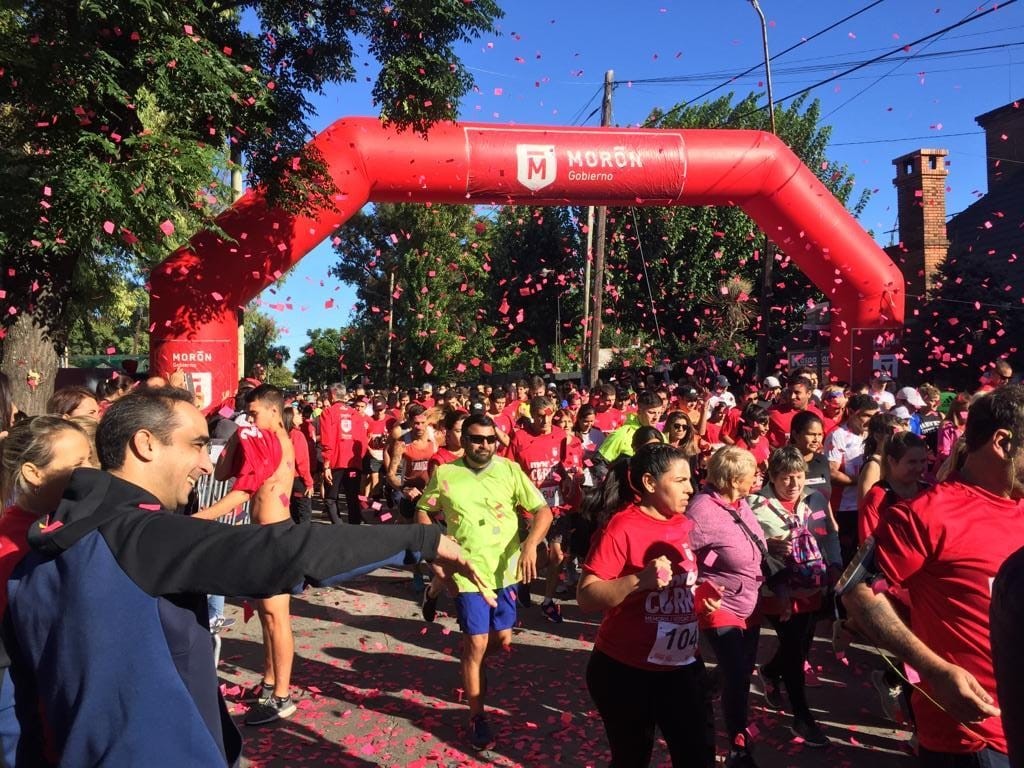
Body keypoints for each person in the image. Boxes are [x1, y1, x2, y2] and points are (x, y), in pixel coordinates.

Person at [3, 386, 486, 766]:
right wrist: (419, 541)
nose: (206, 460)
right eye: (195, 444)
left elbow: (22, 710)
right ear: (145, 444)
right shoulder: (141, 535)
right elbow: (279, 551)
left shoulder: (41, 553)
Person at [843, 384, 1024, 768]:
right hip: (974, 739)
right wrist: (933, 669)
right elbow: (856, 589)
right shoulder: (927, 513)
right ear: (1003, 442)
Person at [416, 413, 552, 751]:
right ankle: (477, 713)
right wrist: (436, 552)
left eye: (491, 439)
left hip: (506, 573)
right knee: (475, 645)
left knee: (501, 639)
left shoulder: (509, 470)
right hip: (467, 573)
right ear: (464, 441)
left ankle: (434, 598)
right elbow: (423, 510)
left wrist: (530, 545)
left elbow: (543, 510)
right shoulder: (446, 474)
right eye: (477, 439)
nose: (485, 445)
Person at [577, 443, 717, 768]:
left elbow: (682, 585)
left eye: (690, 479)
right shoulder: (622, 527)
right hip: (625, 670)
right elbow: (586, 596)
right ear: (650, 484)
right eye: (680, 481)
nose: (690, 488)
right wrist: (639, 581)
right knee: (632, 759)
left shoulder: (685, 523)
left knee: (698, 756)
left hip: (682, 666)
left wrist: (701, 597)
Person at [748, 446, 840, 748]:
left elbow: (828, 534)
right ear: (772, 477)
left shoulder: (815, 499)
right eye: (786, 478)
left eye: (799, 477)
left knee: (800, 647)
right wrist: (766, 546)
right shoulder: (755, 506)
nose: (794, 484)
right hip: (778, 592)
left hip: (812, 589)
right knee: (794, 648)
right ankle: (802, 717)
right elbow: (744, 548)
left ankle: (771, 671)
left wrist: (835, 567)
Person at [686, 446, 764, 767]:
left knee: (740, 669)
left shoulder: (740, 503)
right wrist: (698, 588)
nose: (759, 477)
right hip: (720, 604)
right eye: (752, 473)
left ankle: (704, 690)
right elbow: (680, 555)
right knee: (738, 676)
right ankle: (737, 746)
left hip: (750, 600)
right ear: (733, 479)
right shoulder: (701, 511)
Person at [825, 393, 879, 565]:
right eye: (866, 416)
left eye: (874, 416)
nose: (871, 421)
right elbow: (832, 473)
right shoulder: (837, 435)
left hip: (869, 505)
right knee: (846, 557)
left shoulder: (873, 434)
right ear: (851, 412)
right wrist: (864, 480)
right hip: (844, 508)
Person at [320, 383, 369, 525]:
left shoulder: (328, 412)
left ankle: (339, 528)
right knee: (352, 498)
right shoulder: (356, 414)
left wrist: (326, 464)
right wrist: (358, 460)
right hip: (353, 463)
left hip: (335, 462)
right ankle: (354, 530)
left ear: (333, 394)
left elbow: (326, 440)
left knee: (330, 499)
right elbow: (363, 442)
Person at [597, 391, 665, 465]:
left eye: (659, 413)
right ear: (639, 411)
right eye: (652, 412)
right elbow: (598, 463)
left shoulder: (661, 436)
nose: (656, 417)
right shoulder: (621, 435)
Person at [766, 377, 820, 450]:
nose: (792, 397)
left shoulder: (817, 414)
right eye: (790, 392)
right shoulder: (773, 413)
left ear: (809, 394)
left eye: (797, 393)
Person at [284, 405, 314, 525]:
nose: (300, 415)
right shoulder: (297, 435)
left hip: (285, 480)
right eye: (297, 413)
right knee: (303, 514)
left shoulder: (282, 434)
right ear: (290, 418)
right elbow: (302, 461)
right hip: (298, 480)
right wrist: (309, 483)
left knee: (290, 512)